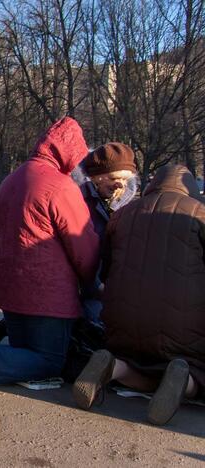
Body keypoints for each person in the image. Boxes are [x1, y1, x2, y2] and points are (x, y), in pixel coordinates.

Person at [0, 117, 99, 387]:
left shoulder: (12, 179)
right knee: (49, 360)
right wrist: (93, 284)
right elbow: (83, 246)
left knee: (23, 353)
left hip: (9, 287)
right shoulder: (60, 186)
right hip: (47, 292)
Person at [73, 164, 204, 425]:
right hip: (183, 331)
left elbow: (107, 270)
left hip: (121, 325)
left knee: (136, 359)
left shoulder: (123, 215)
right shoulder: (199, 214)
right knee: (196, 369)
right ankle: (186, 381)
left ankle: (113, 367)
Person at [0, 141, 139, 342]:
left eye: (125, 179)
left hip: (105, 278)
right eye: (114, 178)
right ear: (97, 176)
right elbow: (78, 246)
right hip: (79, 280)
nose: (120, 184)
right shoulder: (75, 194)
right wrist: (94, 284)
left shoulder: (127, 205)